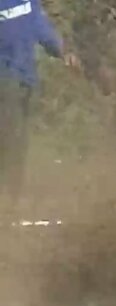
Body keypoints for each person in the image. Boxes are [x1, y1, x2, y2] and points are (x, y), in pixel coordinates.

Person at [0, 0, 79, 214]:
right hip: (7, 81)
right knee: (12, 141)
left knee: (18, 141)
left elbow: (42, 29)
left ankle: (11, 199)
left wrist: (64, 53)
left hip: (25, 80)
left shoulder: (27, 2)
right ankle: (9, 200)